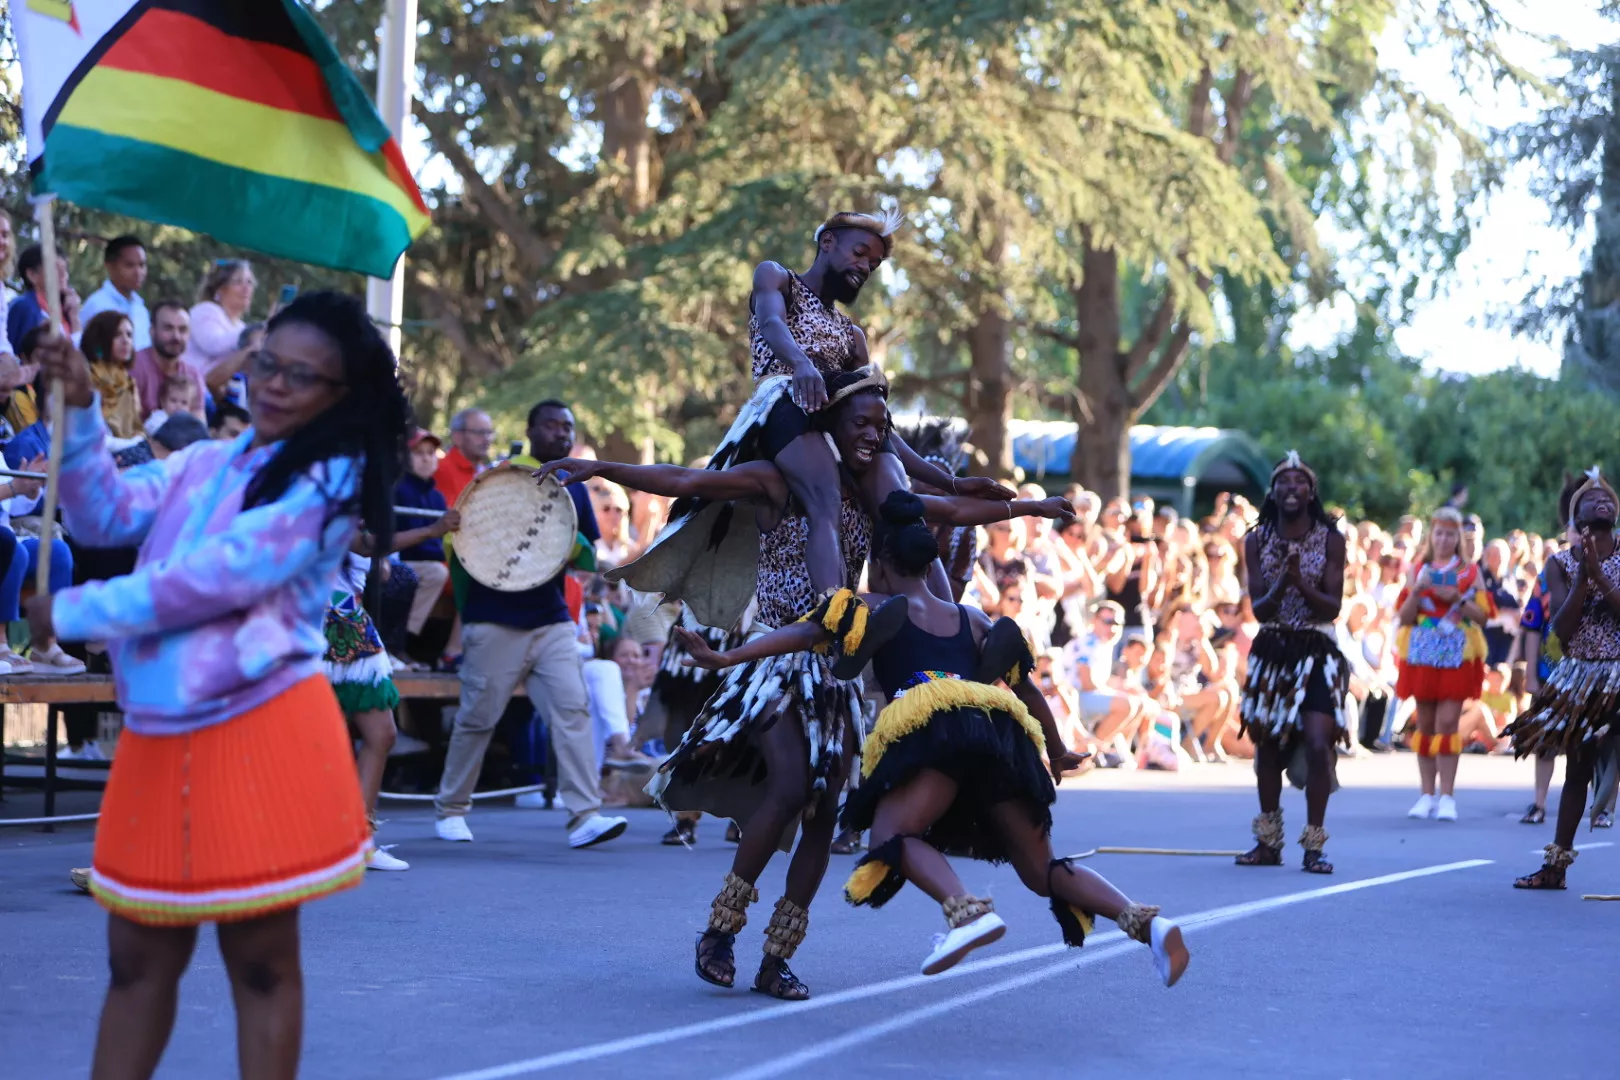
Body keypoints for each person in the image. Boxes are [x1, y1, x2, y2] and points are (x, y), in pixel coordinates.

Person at [536, 369, 1074, 1000]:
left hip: (837, 666)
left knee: (823, 814)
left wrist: (1031, 506)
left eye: (882, 425)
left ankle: (776, 957)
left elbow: (951, 507)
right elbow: (686, 481)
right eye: (861, 424)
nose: (874, 435)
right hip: (776, 659)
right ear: (828, 426)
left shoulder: (876, 497)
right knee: (792, 786)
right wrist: (598, 466)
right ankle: (720, 930)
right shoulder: (776, 481)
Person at [26, 290, 410, 1079]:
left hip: (260, 730)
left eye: (300, 377)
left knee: (261, 963)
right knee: (135, 963)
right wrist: (82, 412)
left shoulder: (327, 492)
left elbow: (215, 579)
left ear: (343, 398)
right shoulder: (206, 458)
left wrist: (71, 607)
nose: (272, 383)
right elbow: (102, 515)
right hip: (158, 733)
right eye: (267, 362)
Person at [676, 491, 1189, 987]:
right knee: (1043, 869)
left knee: (893, 839)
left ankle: (964, 914)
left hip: (934, 725)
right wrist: (1056, 750)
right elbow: (1027, 688)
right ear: (929, 563)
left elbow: (806, 633)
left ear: (880, 560)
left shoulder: (870, 604)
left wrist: (726, 658)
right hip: (999, 732)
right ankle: (1146, 923)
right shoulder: (972, 618)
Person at [640, 210, 1008, 618]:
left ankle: (946, 622)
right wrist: (800, 363)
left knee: (902, 509)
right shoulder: (777, 278)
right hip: (783, 405)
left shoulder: (853, 336)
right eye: (860, 253)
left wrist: (952, 483)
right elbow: (771, 322)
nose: (865, 266)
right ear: (827, 242)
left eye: (873, 263)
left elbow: (881, 426)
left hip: (839, 418)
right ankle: (838, 616)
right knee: (825, 500)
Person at [432, 399, 631, 850]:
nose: (560, 433)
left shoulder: (575, 482)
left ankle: (585, 815)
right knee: (478, 718)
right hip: (494, 617)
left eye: (568, 426)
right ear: (531, 429)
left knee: (573, 710)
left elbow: (584, 554)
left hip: (551, 619)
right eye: (552, 425)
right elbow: (466, 540)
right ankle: (451, 809)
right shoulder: (501, 476)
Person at [1234, 452, 1349, 874]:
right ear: (1273, 492)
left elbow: (1332, 608)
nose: (1291, 489)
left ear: (1311, 491)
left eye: (1300, 482)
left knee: (1318, 745)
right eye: (1284, 482)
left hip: (1316, 650)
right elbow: (1260, 610)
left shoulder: (1331, 539)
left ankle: (1314, 845)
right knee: (1266, 747)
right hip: (1273, 649)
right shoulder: (1257, 539)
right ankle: (1268, 842)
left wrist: (1301, 580)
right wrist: (1285, 580)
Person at [326, 508, 458, 873]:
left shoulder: (346, 486)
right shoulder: (307, 485)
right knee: (316, 740)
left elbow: (371, 556)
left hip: (351, 626)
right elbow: (365, 546)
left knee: (382, 734)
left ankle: (359, 840)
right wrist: (432, 530)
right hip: (305, 629)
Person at [1507, 468, 1620, 889]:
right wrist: (1585, 576)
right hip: (1582, 677)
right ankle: (1555, 867)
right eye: (1591, 500)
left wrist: (1601, 575)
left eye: (1608, 497)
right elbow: (1561, 630)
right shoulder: (1558, 564)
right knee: (1578, 768)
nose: (1602, 501)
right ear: (1577, 518)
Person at [1394, 507, 1495, 822]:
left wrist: (1457, 600)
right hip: (1423, 651)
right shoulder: (1417, 569)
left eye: (1450, 533)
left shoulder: (1470, 572)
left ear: (1458, 538)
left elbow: (1484, 616)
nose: (1443, 539)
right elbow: (1405, 616)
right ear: (1431, 535)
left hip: (1456, 652)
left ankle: (1447, 796)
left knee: (1448, 722)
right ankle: (1426, 794)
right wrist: (1420, 590)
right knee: (1424, 724)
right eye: (1438, 532)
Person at [394, 428, 453, 641]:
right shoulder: (397, 489)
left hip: (426, 561)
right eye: (418, 453)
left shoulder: (436, 497)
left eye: (431, 453)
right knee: (436, 572)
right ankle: (400, 638)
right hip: (400, 561)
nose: (426, 459)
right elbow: (411, 543)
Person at [185, 259, 259, 389]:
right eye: (238, 282)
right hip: (188, 391)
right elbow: (213, 344)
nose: (246, 288)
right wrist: (251, 333)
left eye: (249, 282)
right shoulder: (205, 310)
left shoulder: (240, 326)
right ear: (220, 289)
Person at [132, 301, 206, 422]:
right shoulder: (135, 367)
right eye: (168, 328)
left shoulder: (193, 375)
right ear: (152, 330)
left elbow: (199, 429)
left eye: (182, 330)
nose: (176, 336)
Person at [79, 235, 151, 351]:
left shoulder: (141, 310)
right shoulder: (97, 305)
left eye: (142, 265)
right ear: (110, 266)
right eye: (129, 265)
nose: (138, 272)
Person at [80, 312, 142, 439]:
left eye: (129, 335)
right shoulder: (87, 377)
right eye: (117, 335)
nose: (126, 341)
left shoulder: (129, 383)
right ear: (100, 338)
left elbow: (135, 428)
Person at [7, 243, 81, 348]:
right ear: (32, 275)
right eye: (55, 269)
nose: (63, 275)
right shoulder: (23, 308)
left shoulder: (67, 311)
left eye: (65, 269)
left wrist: (75, 319)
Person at [435, 407, 494, 506]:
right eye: (479, 432)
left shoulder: (485, 470)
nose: (486, 439)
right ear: (457, 437)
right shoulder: (442, 469)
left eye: (489, 433)